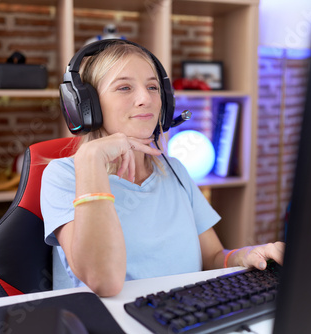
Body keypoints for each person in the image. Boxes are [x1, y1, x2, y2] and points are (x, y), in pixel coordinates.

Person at [41, 39, 285, 297]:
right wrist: (90, 159)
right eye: (124, 87)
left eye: (153, 87)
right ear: (86, 107)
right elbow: (103, 282)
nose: (145, 98)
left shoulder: (175, 170)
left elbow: (212, 257)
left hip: (181, 315)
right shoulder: (64, 175)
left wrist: (245, 256)